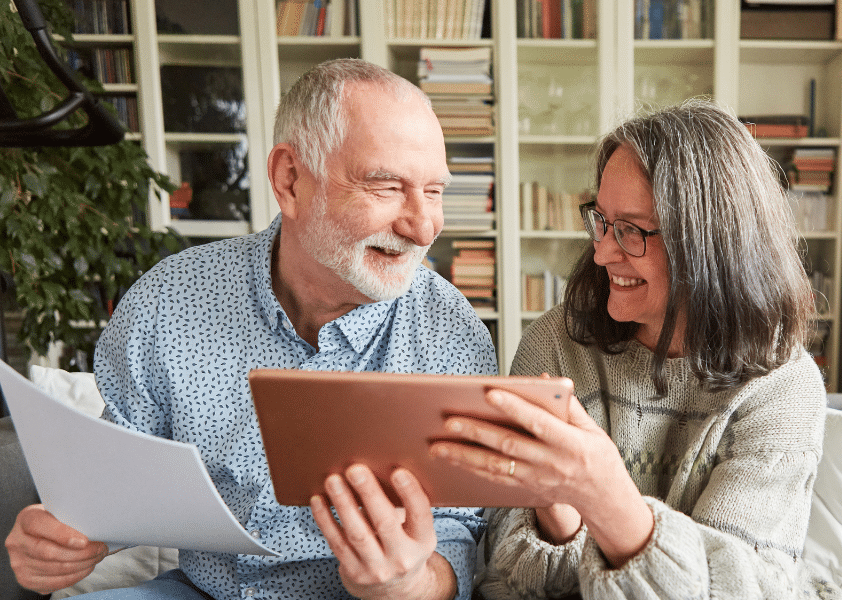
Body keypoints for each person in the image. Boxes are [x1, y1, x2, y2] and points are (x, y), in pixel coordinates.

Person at [4, 59, 497, 600]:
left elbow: (464, 531)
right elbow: (119, 485)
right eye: (385, 187)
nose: (423, 226)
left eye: (434, 192)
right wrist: (65, 537)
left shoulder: (450, 330)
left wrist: (413, 584)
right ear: (290, 180)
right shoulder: (169, 299)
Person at [430, 98, 839, 600]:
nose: (601, 253)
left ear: (709, 242)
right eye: (601, 220)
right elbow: (501, 582)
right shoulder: (555, 345)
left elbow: (736, 590)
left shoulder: (783, 384)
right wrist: (559, 521)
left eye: (631, 230)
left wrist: (604, 497)